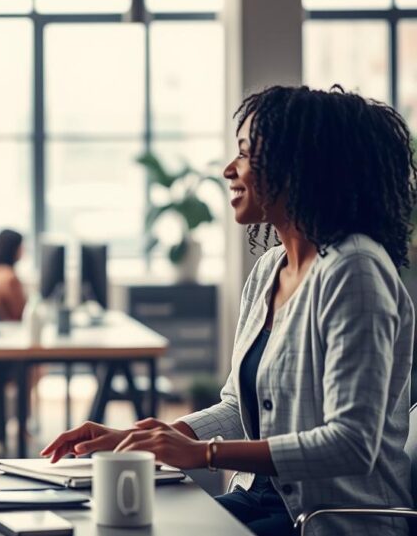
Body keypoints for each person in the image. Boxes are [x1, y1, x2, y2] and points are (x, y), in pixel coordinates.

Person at [41, 85, 415, 536]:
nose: (228, 170)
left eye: (244, 153)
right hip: (263, 501)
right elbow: (241, 406)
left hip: (329, 521)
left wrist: (207, 454)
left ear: (299, 165)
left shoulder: (354, 271)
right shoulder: (269, 270)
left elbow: (352, 443)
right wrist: (158, 437)